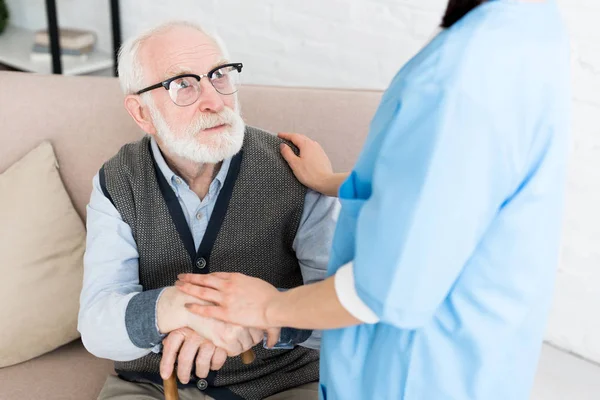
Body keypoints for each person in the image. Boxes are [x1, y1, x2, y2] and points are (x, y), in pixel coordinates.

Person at [176, 1, 571, 399]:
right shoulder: (530, 26)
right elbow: (449, 184)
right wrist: (332, 182)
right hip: (487, 348)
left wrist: (265, 308)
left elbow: (386, 287)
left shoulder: (461, 77)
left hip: (422, 370)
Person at [78, 20, 339, 400]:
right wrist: (180, 309)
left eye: (219, 75)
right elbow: (97, 325)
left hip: (282, 382)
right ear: (141, 112)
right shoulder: (117, 182)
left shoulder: (298, 171)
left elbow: (341, 309)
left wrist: (263, 316)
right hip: (152, 386)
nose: (214, 100)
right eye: (182, 84)